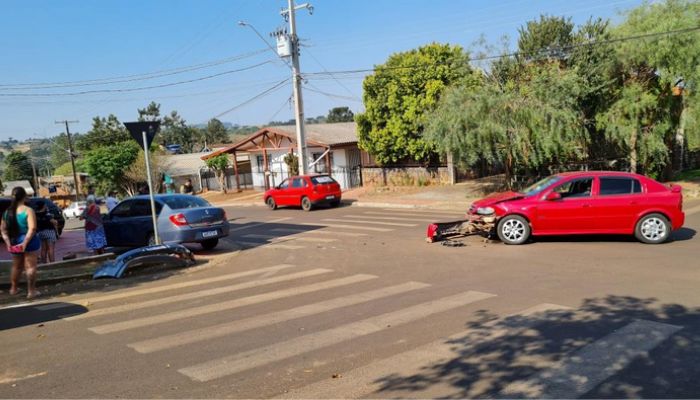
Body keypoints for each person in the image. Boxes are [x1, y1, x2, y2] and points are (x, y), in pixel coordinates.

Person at [1, 187, 41, 299]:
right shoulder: (28, 210)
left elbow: (3, 230)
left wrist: (8, 243)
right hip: (29, 241)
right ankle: (31, 291)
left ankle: (13, 289)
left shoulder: (6, 213)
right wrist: (25, 243)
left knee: (16, 266)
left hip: (14, 241)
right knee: (30, 266)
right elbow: (32, 229)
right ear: (24, 196)